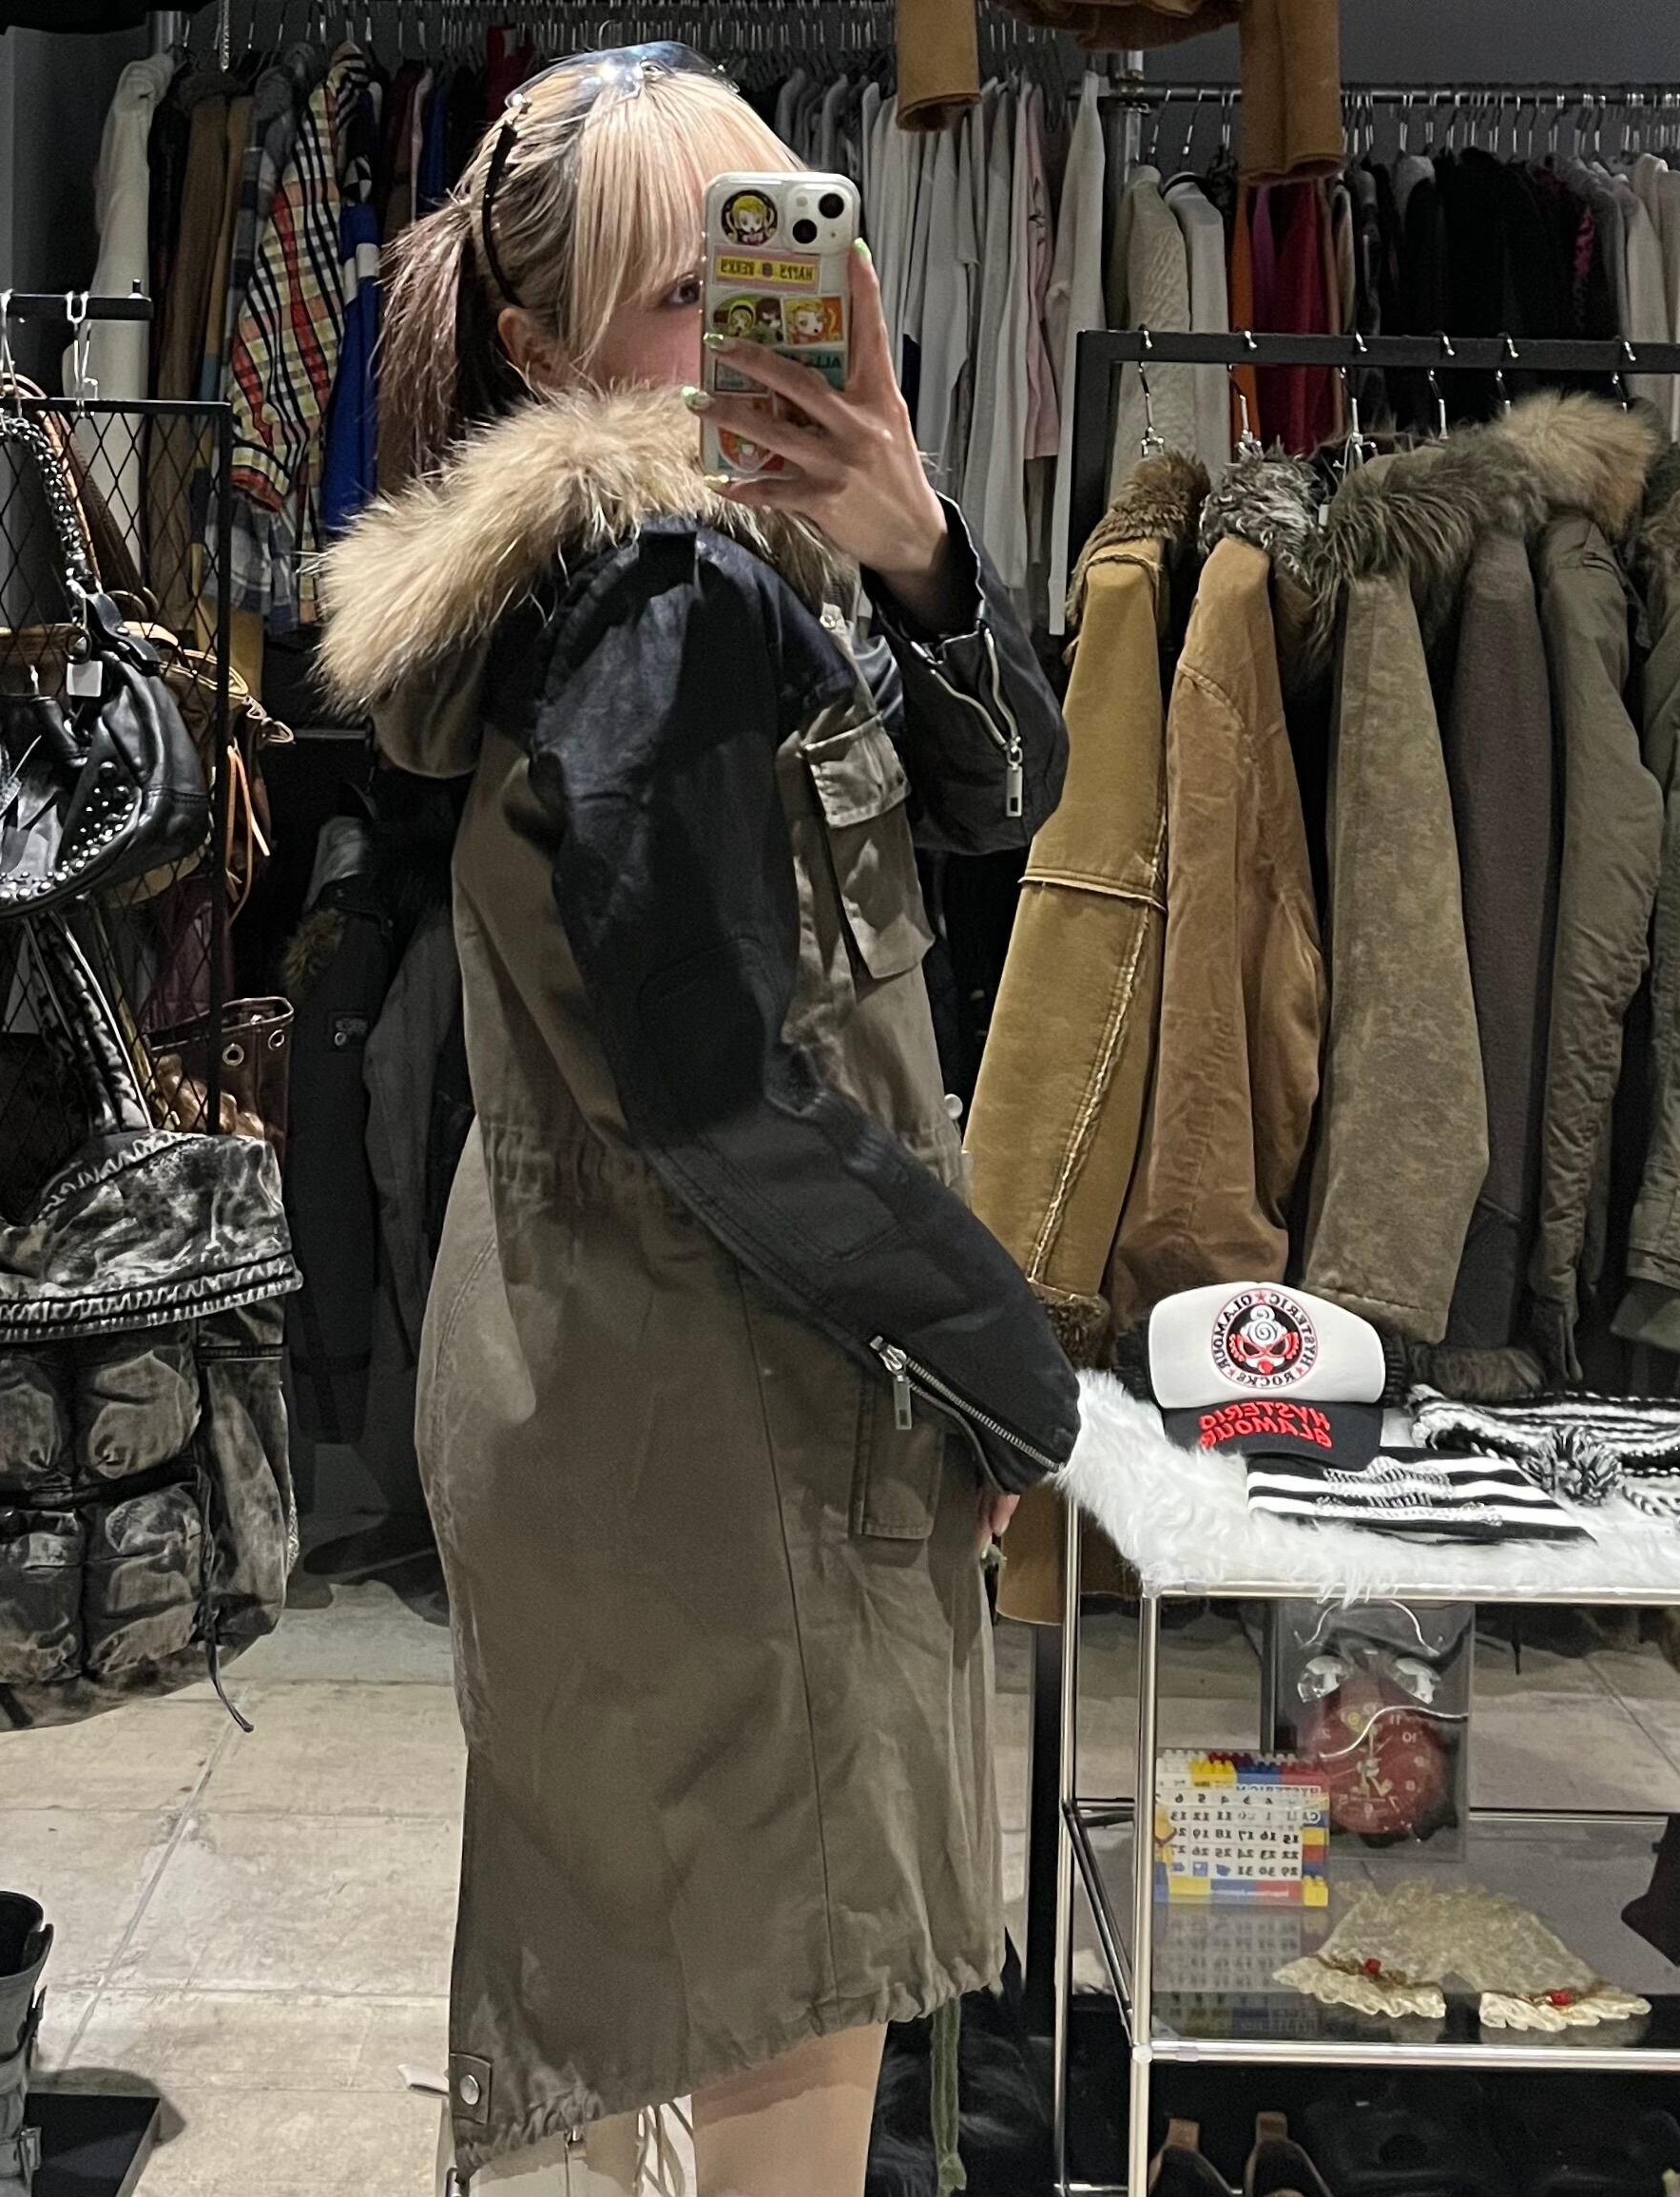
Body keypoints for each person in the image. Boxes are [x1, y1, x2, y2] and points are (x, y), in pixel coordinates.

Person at [316, 45, 1079, 2196]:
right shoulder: (670, 597)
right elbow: (721, 1091)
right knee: (783, 2015)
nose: (754, 324)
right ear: (539, 344)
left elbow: (1003, 795)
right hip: (740, 1384)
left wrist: (914, 541)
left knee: (660, 1978)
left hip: (609, 1348)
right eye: (686, 291)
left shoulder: (708, 560)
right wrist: (1001, 1374)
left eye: (775, 255)